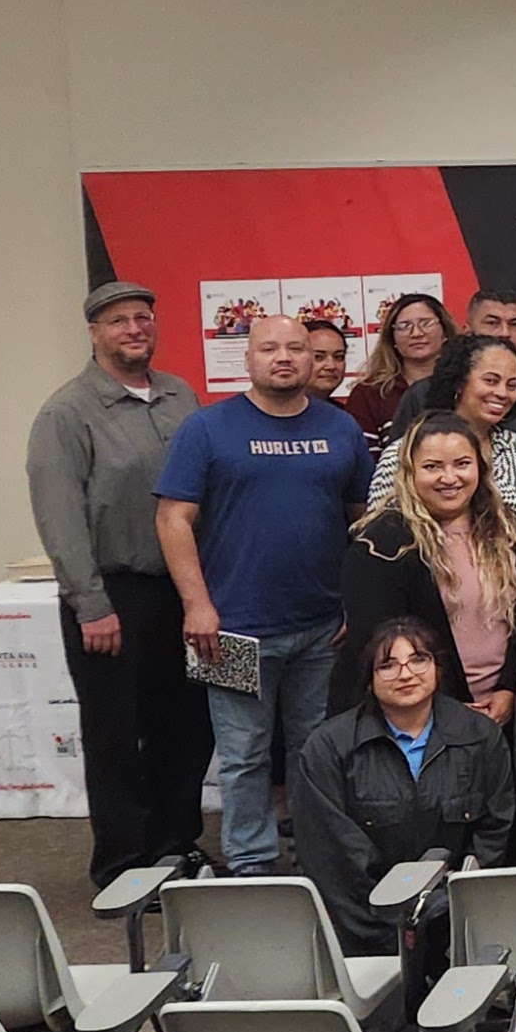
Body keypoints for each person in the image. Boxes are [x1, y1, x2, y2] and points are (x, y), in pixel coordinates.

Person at [157, 315, 371, 878]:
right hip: (231, 629)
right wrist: (196, 605)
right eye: (269, 348)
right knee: (244, 756)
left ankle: (317, 856)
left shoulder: (341, 429)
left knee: (315, 751)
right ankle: (252, 864)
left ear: (312, 360)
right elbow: (173, 518)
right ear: (246, 359)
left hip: (323, 626)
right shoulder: (207, 429)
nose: (284, 358)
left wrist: (355, 599)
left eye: (296, 349)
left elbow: (361, 521)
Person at [25, 282, 211, 887]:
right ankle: (124, 864)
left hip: (183, 592)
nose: (135, 329)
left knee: (185, 726)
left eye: (143, 318)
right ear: (95, 333)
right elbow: (60, 516)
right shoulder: (67, 412)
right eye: (118, 321)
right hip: (114, 594)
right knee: (115, 735)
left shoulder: (180, 395)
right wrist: (89, 604)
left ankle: (175, 846)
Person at [289, 616, 513, 1032]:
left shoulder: (479, 735)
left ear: (438, 668)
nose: (405, 673)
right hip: (368, 919)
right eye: (387, 665)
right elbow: (333, 855)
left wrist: (445, 903)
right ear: (368, 680)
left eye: (419, 659)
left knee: (478, 1028)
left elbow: (495, 828)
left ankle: (436, 976)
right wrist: (396, 911)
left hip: (453, 911)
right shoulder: (328, 747)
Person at [334, 412, 516, 722]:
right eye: (432, 467)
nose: (449, 478)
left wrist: (510, 690)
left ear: (480, 466)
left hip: (505, 710)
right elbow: (377, 647)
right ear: (409, 473)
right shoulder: (379, 545)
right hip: (416, 717)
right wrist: (445, 710)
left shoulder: (512, 532)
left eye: (462, 464)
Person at [370, 334, 516, 530]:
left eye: (512, 385)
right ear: (459, 381)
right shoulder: (404, 453)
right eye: (491, 381)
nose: (502, 393)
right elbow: (374, 533)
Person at [388, 290, 516, 461]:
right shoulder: (422, 394)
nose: (505, 333)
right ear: (468, 330)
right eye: (492, 323)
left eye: (515, 324)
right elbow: (399, 469)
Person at [347, 291, 454, 448]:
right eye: (404, 327)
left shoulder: (465, 386)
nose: (416, 333)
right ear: (392, 339)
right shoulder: (369, 394)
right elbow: (365, 459)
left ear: (445, 331)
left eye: (426, 323)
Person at [304, 319, 351, 406]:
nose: (331, 366)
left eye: (338, 357)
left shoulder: (344, 416)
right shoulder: (275, 413)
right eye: (318, 357)